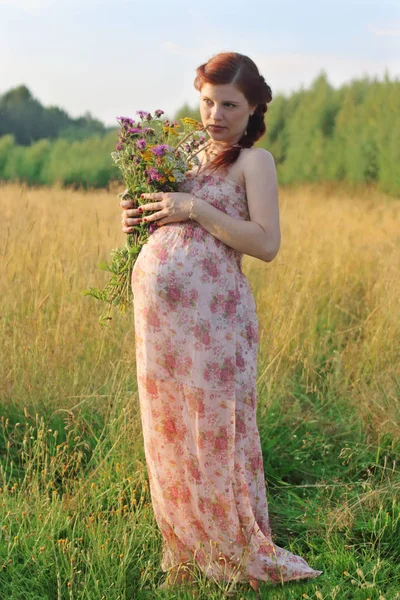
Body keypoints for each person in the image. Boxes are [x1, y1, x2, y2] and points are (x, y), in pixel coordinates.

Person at [120, 51, 323, 594]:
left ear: (254, 107)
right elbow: (160, 224)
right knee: (167, 427)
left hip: (218, 320)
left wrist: (195, 209)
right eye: (207, 101)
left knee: (215, 425)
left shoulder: (254, 162)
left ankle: (227, 545)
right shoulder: (182, 154)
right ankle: (183, 546)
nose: (215, 115)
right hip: (161, 320)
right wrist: (137, 218)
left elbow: (266, 243)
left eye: (229, 104)